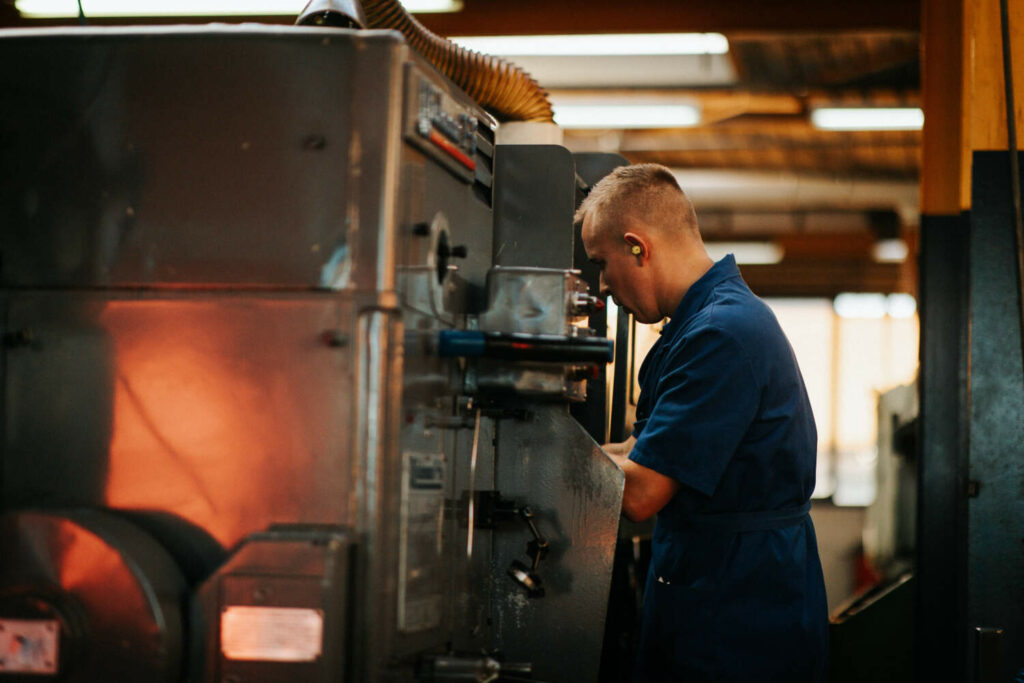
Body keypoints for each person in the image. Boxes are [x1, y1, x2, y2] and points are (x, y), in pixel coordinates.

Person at [577, 164, 828, 682]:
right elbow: (642, 447)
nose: (601, 285)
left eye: (602, 263)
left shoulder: (721, 336)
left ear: (637, 247)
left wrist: (546, 461)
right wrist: (568, 448)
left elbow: (641, 493)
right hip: (718, 585)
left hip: (738, 611)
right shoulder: (705, 322)